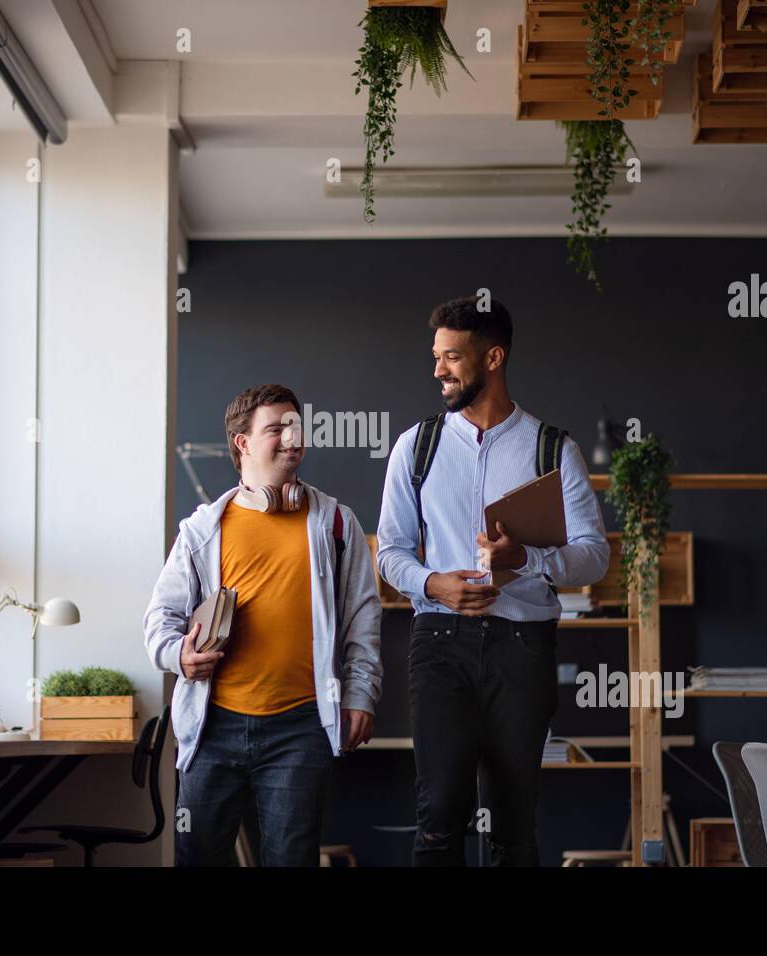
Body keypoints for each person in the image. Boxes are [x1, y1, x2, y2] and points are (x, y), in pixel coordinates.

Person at [377, 296, 609, 866]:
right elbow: (391, 552)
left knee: (514, 821)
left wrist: (526, 558)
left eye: (451, 357)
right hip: (439, 644)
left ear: (494, 357)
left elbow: (594, 557)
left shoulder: (554, 450)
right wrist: (435, 585)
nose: (438, 370)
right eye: (436, 356)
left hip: (522, 648)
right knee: (438, 819)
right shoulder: (417, 446)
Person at [143, 383, 383, 866]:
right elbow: (160, 621)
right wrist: (180, 657)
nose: (293, 440)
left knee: (291, 859)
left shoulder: (337, 524)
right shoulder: (202, 529)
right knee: (197, 857)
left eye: (297, 428)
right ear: (243, 442)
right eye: (277, 429)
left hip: (301, 727)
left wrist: (361, 694)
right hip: (213, 727)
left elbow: (363, 622)